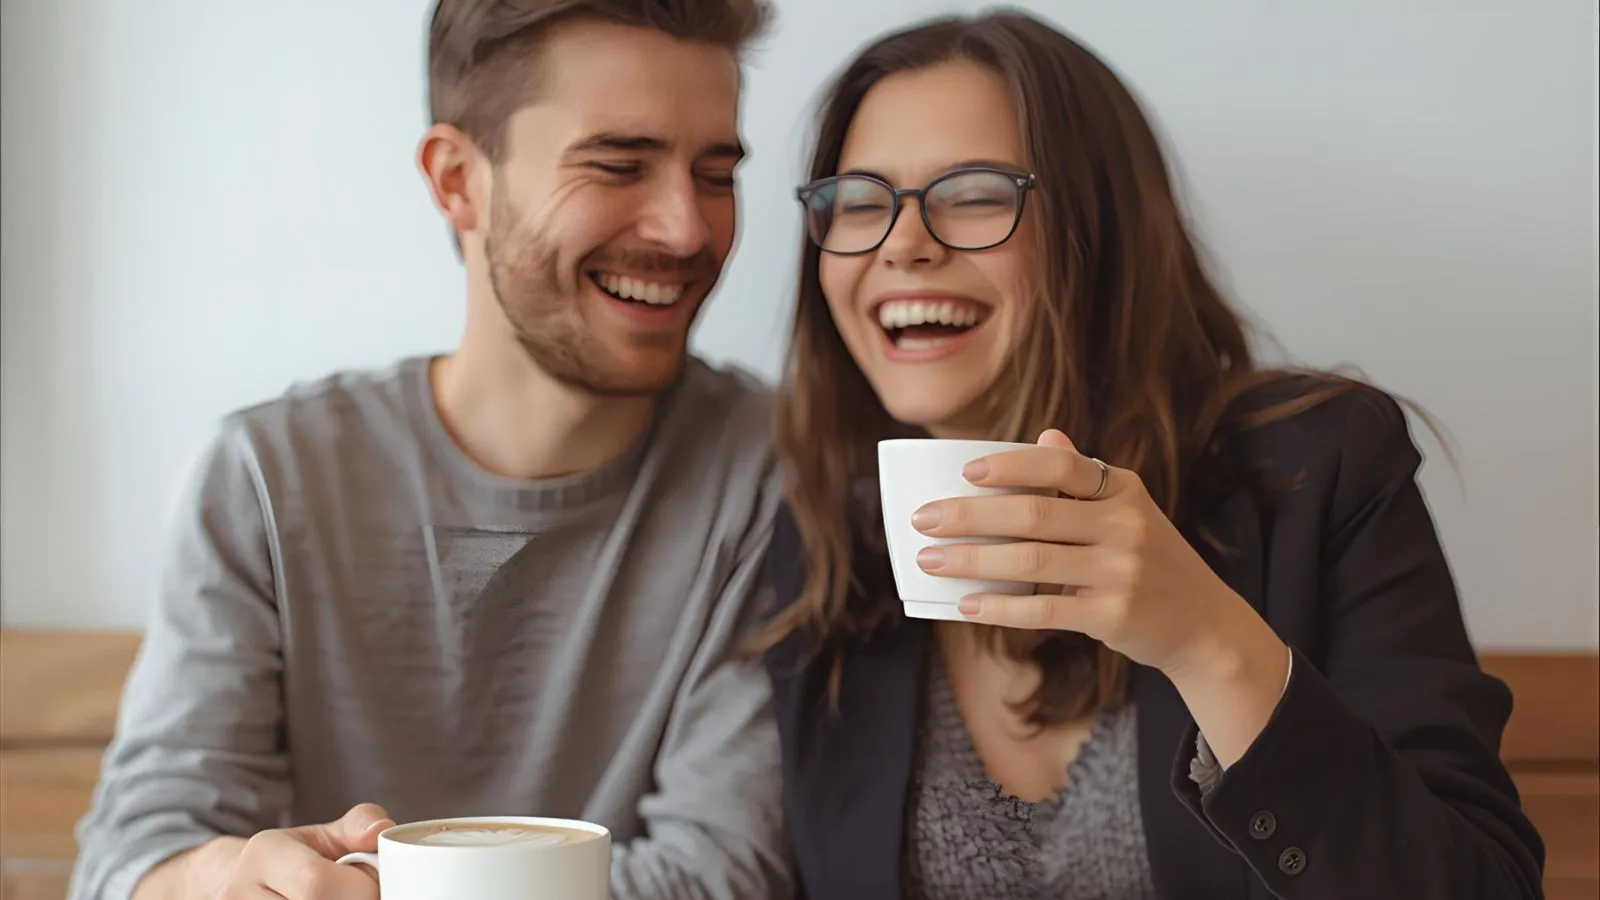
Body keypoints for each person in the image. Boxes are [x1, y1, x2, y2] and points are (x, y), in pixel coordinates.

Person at [758, 11, 1545, 900]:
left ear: (1100, 227)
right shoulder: (823, 538)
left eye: (973, 194)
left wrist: (1207, 642)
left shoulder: (1319, 473)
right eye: (859, 201)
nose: (903, 242)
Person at [68, 2, 793, 899]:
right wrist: (217, 880)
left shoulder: (771, 471)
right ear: (458, 180)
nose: (687, 229)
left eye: (716, 173)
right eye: (618, 164)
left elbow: (719, 877)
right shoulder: (267, 479)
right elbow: (132, 859)